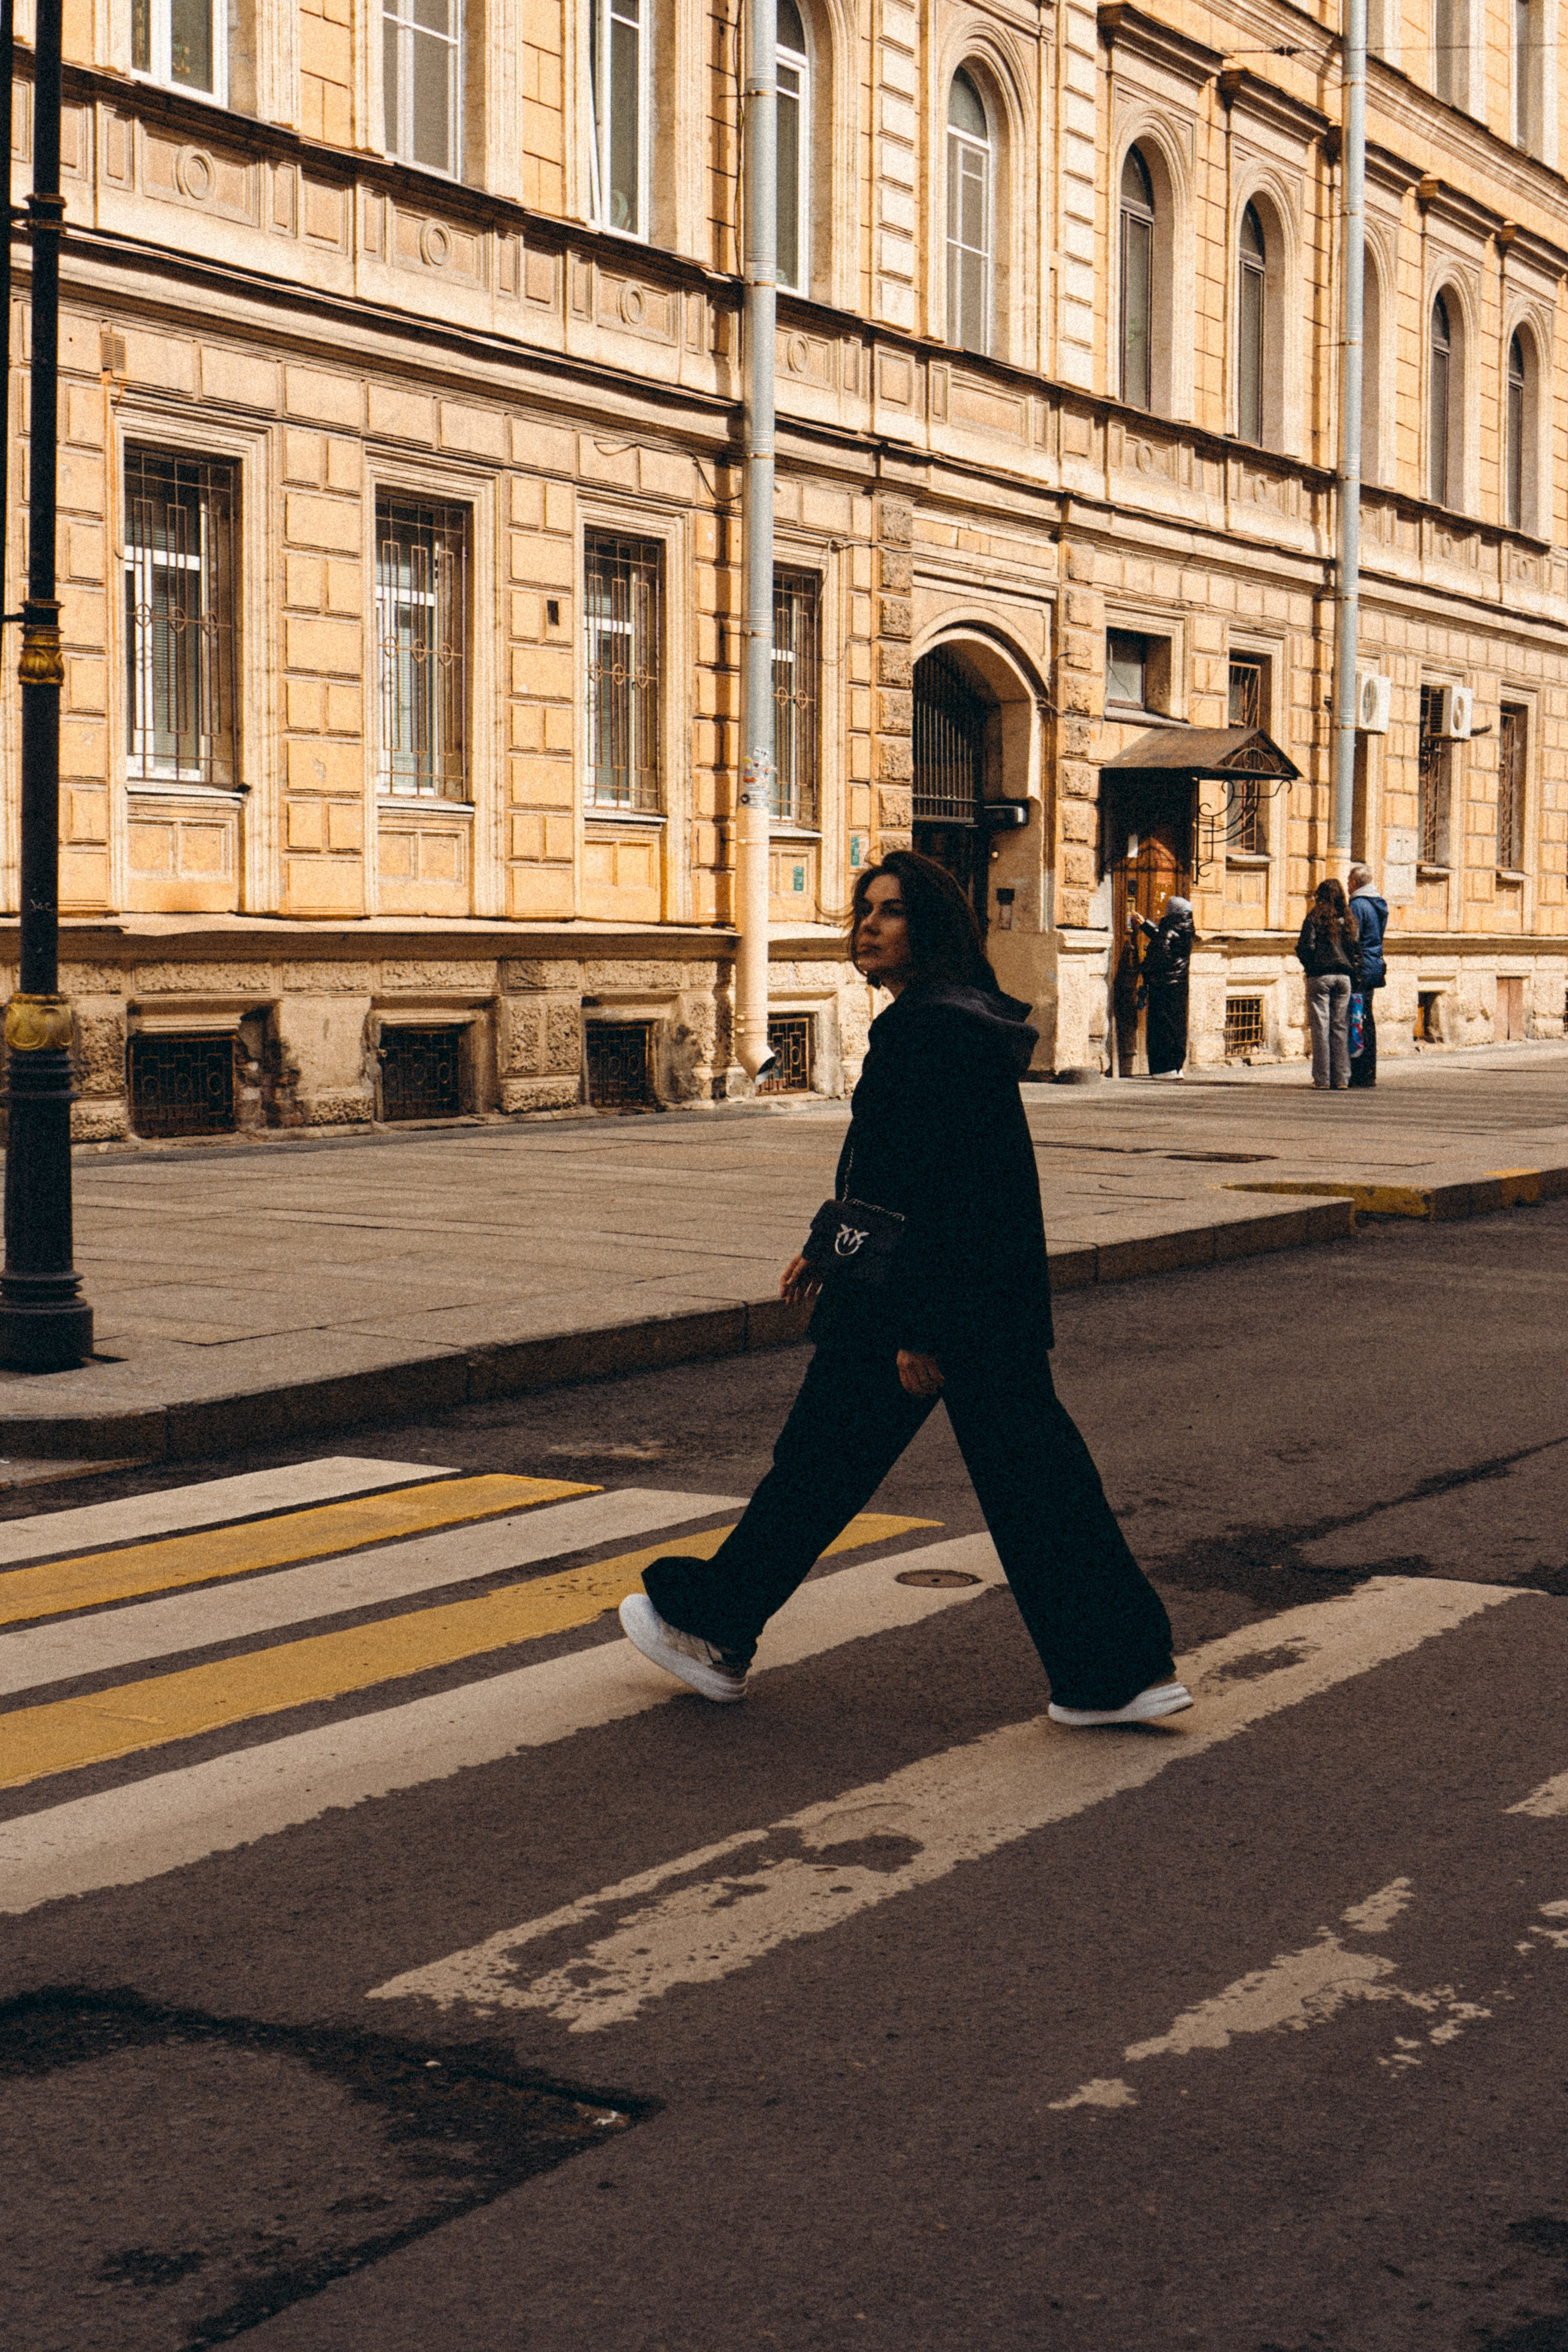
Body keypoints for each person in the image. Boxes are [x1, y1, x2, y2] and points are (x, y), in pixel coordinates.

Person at [617, 850, 1191, 1729]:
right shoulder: (949, 1022)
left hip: (921, 1304)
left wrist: (923, 1329)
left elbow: (947, 1193)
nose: (869, 926)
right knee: (1033, 1484)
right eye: (865, 910)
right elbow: (892, 1175)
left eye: (890, 912)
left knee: (818, 1469)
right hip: (973, 1301)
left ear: (931, 929)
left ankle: (716, 1625)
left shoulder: (930, 1034)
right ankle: (1114, 1669)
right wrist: (827, 1246)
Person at [1295, 878, 1362, 1089]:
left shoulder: (1315, 917)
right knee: (1340, 1027)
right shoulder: (1349, 918)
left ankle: (1323, 1079)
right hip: (1344, 978)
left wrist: (1311, 967)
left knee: (1320, 1028)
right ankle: (1342, 1078)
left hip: (1320, 977)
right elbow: (1355, 950)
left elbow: (1305, 946)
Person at [1128, 895, 1195, 1077]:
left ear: (1171, 912)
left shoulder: (1169, 930)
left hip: (1163, 986)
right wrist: (1146, 925)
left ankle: (1164, 1068)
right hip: (1179, 985)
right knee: (1177, 1025)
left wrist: (1142, 968)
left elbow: (1160, 954)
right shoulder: (1186, 930)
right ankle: (1177, 1067)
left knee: (1162, 1026)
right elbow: (1167, 941)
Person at [1346, 864, 1387, 1088]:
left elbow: (1353, 939)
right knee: (1367, 1019)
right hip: (1374, 964)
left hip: (1360, 967)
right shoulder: (1377, 904)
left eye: (1349, 881)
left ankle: (1359, 1071)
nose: (1347, 885)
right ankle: (1370, 1070)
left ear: (1355, 883)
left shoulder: (1357, 905)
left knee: (1356, 1018)